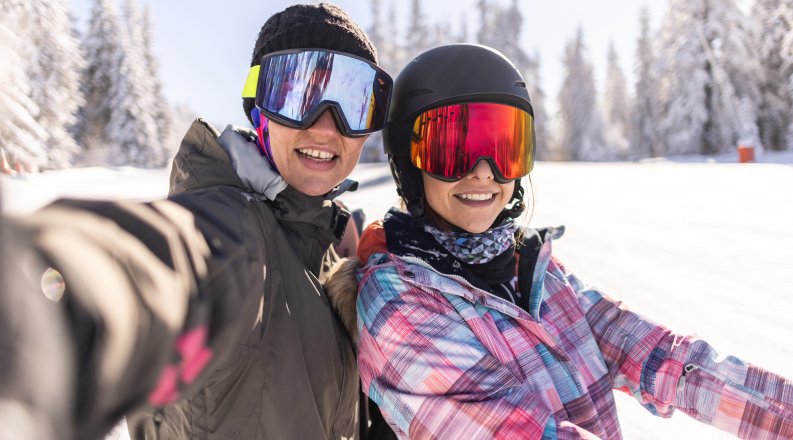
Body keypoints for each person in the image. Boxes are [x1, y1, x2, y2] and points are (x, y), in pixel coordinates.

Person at [354, 44, 793, 439]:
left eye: (504, 146)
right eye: (453, 150)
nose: (485, 171)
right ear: (408, 163)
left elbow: (662, 358)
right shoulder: (397, 300)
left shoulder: (531, 270)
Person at [1, 3, 393, 439]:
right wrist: (45, 299)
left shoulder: (335, 248)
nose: (325, 127)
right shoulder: (235, 231)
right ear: (259, 108)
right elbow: (167, 263)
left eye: (354, 104)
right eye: (297, 94)